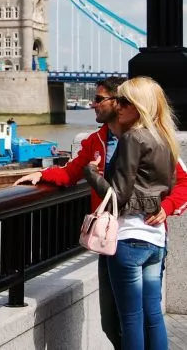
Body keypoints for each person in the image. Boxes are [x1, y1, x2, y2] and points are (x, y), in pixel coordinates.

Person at [14, 76, 187, 349]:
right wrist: (42, 173)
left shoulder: (144, 138)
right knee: (117, 320)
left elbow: (182, 183)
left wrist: (166, 207)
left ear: (119, 103)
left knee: (130, 319)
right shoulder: (96, 140)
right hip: (114, 238)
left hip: (129, 237)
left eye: (98, 99)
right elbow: (69, 173)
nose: (93, 105)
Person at [84, 77, 177, 349]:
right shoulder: (164, 137)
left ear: (140, 106)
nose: (119, 105)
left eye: (125, 101)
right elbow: (166, 187)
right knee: (153, 317)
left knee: (130, 320)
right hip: (156, 239)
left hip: (129, 239)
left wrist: (91, 172)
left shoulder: (132, 138)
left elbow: (118, 196)